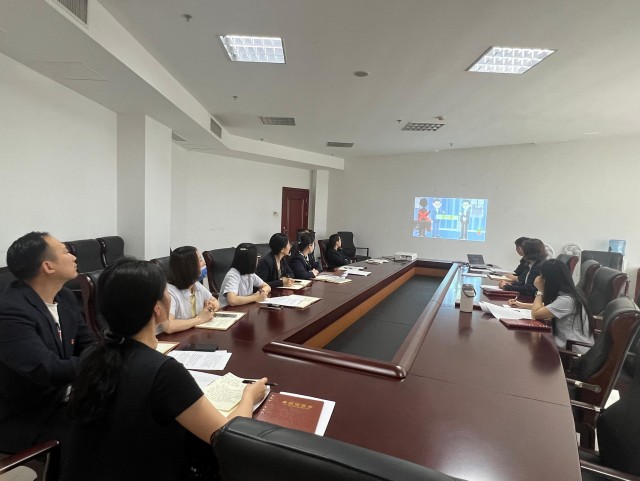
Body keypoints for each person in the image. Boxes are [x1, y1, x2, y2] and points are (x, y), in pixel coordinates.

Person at [63, 259, 267, 480]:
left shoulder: (91, 356)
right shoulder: (163, 371)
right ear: (158, 309)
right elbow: (227, 437)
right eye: (165, 291)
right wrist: (249, 396)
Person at [0, 232, 94, 453]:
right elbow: (47, 370)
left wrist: (99, 357)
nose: (73, 256)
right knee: (97, 436)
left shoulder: (65, 297)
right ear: (48, 266)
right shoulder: (9, 311)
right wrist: (102, 361)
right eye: (65, 251)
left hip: (62, 400)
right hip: (23, 417)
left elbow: (88, 344)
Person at [509, 259, 593, 353]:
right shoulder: (567, 293)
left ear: (549, 280)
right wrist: (521, 304)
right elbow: (548, 308)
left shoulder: (567, 300)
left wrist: (540, 291)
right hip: (562, 342)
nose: (539, 278)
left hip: (572, 352)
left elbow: (536, 314)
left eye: (542, 276)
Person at [157, 246, 221, 334]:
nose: (204, 263)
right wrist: (199, 319)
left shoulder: (195, 284)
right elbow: (168, 326)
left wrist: (213, 305)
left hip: (192, 334)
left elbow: (213, 300)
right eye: (200, 260)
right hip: (171, 339)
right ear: (189, 267)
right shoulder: (169, 292)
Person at [218, 243, 271, 308]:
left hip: (243, 308)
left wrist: (260, 292)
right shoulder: (233, 275)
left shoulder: (250, 274)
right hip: (228, 311)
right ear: (250, 260)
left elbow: (267, 286)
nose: (258, 260)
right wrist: (255, 297)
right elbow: (232, 300)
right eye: (257, 257)